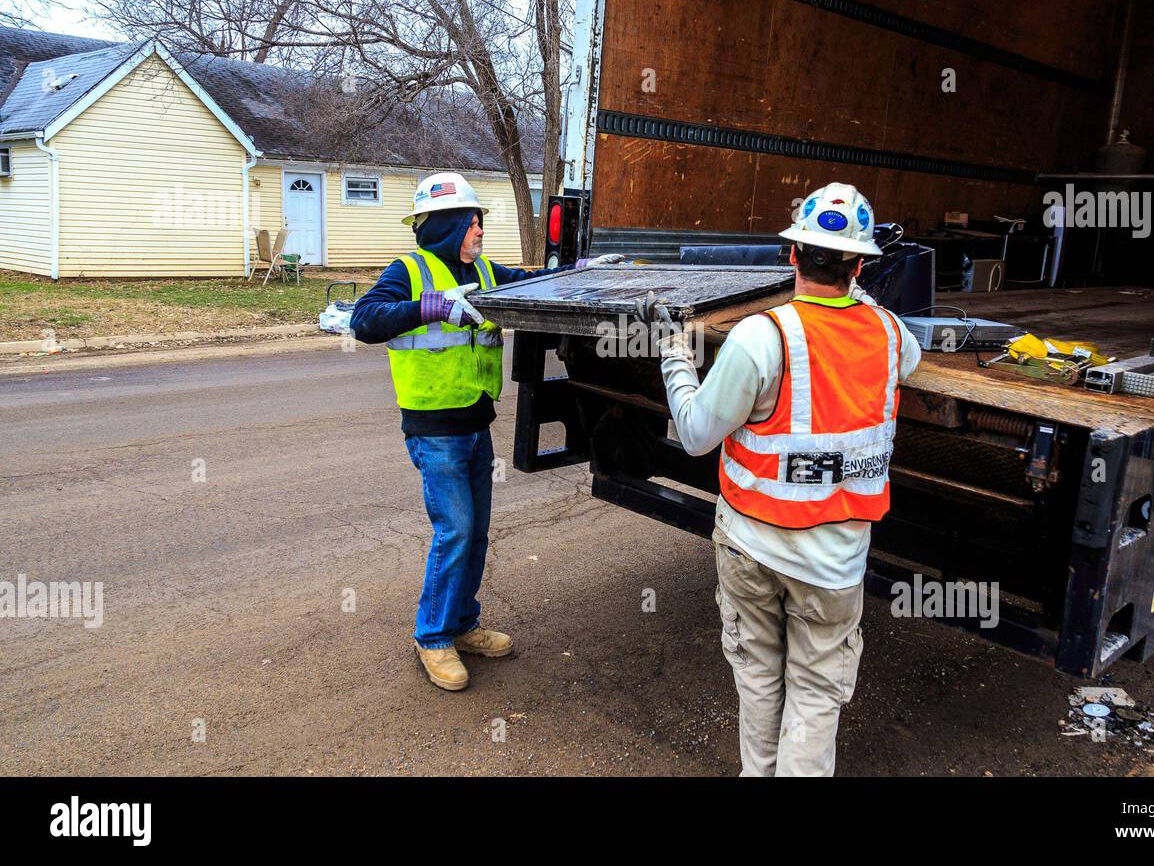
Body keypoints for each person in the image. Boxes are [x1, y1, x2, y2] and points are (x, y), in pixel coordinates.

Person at [643, 183, 920, 774]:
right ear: (861, 264)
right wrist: (860, 292)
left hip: (751, 546)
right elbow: (900, 343)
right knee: (817, 697)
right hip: (835, 566)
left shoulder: (760, 337)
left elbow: (695, 434)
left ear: (792, 255)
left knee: (759, 680)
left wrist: (673, 353)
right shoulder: (892, 337)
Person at [349, 172, 621, 691]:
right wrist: (432, 306)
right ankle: (431, 637)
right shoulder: (410, 271)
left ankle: (463, 625)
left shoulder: (486, 271)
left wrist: (579, 271)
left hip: (475, 423)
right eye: (473, 222)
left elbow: (530, 281)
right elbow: (365, 320)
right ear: (449, 225)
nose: (480, 230)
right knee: (454, 532)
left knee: (474, 532)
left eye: (480, 222)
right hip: (434, 430)